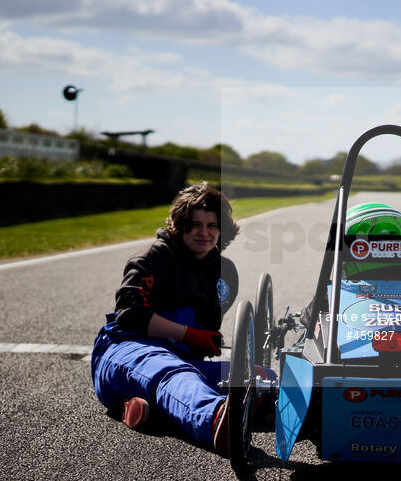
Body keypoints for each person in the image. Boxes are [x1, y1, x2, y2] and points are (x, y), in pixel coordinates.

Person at [90, 181, 270, 456]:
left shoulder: (224, 272)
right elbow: (131, 315)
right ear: (179, 225)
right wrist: (188, 334)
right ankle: (213, 420)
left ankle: (151, 411)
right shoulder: (153, 257)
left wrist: (203, 340)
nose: (204, 233)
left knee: (262, 378)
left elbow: (205, 331)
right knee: (173, 373)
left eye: (212, 226)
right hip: (127, 349)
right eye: (195, 225)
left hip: (181, 358)